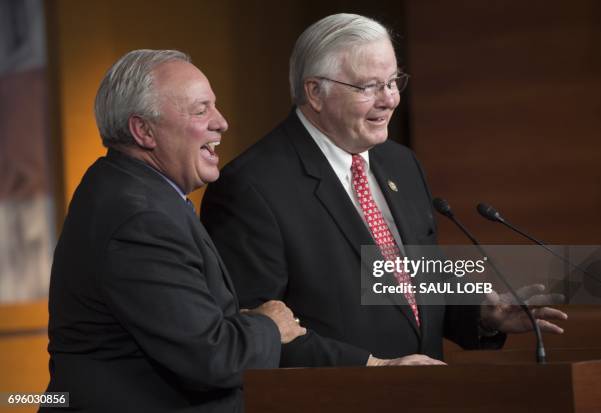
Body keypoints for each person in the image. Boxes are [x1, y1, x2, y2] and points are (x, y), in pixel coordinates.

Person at [201, 14, 566, 368]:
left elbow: (411, 280)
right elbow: (251, 333)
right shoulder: (251, 187)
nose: (389, 99)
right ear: (315, 92)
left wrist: (483, 315)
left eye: (393, 82)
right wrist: (373, 367)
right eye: (369, 86)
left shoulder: (400, 164)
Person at [42, 49, 305, 413]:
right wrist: (270, 326)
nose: (222, 122)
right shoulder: (140, 218)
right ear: (143, 130)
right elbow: (212, 358)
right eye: (201, 109)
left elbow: (183, 329)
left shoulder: (128, 189)